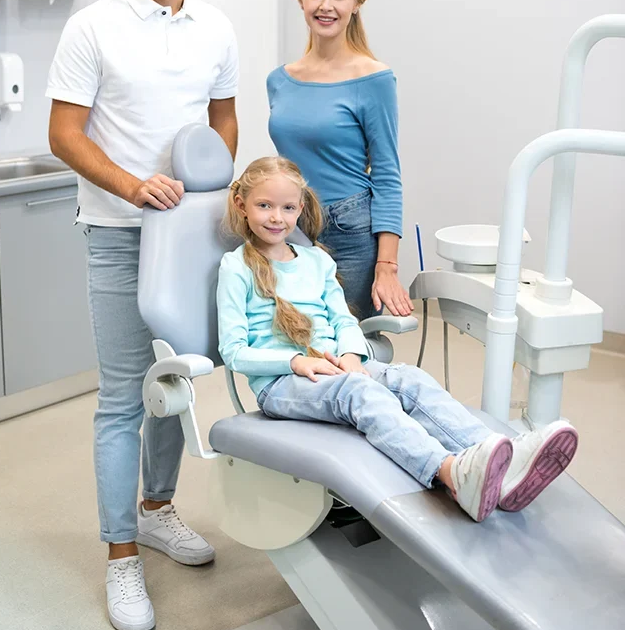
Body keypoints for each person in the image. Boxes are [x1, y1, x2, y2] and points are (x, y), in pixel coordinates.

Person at [47, 0, 239, 630]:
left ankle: (157, 511)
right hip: (120, 237)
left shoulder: (216, 27)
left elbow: (224, 121)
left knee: (178, 383)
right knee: (124, 397)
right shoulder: (94, 27)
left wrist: (206, 194)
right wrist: (135, 187)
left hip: (191, 239)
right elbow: (65, 134)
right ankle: (121, 556)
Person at [216, 156, 579, 523]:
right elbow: (233, 352)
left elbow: (342, 319)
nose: (277, 217)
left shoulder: (316, 261)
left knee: (408, 378)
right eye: (265, 206)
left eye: (288, 207)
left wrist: (353, 356)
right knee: (360, 394)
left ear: (301, 208)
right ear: (241, 205)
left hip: (338, 366)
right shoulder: (236, 267)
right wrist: (296, 362)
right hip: (282, 383)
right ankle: (453, 474)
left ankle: (503, 459)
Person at [267, 0, 413, 321]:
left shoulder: (374, 79)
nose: (325, 6)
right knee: (300, 347)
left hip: (349, 231)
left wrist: (387, 266)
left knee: (347, 353)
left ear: (356, 3)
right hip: (291, 227)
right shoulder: (280, 80)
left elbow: (386, 173)